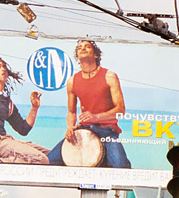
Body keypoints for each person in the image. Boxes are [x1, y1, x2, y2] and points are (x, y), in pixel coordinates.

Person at [47, 40, 130, 168]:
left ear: (96, 55)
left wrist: (96, 117)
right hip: (83, 129)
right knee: (49, 161)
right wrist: (70, 127)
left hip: (107, 131)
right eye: (79, 47)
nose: (83, 49)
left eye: (87, 47)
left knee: (120, 167)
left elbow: (120, 110)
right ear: (77, 56)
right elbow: (71, 112)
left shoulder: (109, 76)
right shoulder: (72, 81)